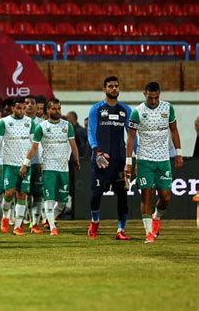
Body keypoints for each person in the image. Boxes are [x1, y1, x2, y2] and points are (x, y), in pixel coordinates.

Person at [125, 82, 183, 243]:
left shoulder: (168, 108)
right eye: (150, 97)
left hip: (163, 159)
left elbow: (174, 130)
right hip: (144, 160)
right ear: (144, 94)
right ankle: (149, 233)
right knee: (146, 195)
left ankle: (156, 217)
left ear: (159, 94)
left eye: (156, 97)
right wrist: (129, 161)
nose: (153, 101)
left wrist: (178, 153)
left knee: (166, 196)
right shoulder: (137, 112)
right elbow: (130, 137)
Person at [20, 99, 80, 235]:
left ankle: (49, 218)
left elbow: (73, 145)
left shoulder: (67, 126)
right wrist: (25, 163)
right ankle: (53, 227)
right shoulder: (41, 127)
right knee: (49, 198)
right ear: (47, 111)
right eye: (53, 109)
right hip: (48, 167)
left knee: (63, 201)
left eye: (59, 108)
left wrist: (76, 160)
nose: (57, 111)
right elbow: (34, 147)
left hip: (64, 168)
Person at [87, 76, 132, 240]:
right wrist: (96, 151)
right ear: (104, 89)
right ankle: (95, 221)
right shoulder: (96, 109)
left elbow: (132, 136)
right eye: (110, 86)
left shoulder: (126, 110)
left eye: (116, 86)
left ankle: (120, 230)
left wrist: (131, 159)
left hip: (119, 161)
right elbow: (91, 132)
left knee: (123, 197)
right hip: (101, 160)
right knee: (96, 196)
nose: (114, 89)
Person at [0, 97, 36, 236]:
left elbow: (34, 144)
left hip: (25, 164)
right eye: (18, 108)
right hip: (10, 164)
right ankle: (5, 217)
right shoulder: (4, 123)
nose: (21, 111)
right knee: (9, 193)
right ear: (12, 108)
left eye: (23, 108)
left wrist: (34, 162)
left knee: (22, 194)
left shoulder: (30, 122)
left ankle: (17, 226)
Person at [23, 95, 45, 234]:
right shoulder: (19, 122)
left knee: (37, 194)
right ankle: (23, 218)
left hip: (37, 163)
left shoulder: (42, 123)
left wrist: (41, 161)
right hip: (21, 163)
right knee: (23, 193)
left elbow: (42, 144)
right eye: (27, 103)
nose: (30, 105)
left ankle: (35, 223)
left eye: (32, 103)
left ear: (37, 107)